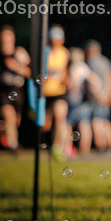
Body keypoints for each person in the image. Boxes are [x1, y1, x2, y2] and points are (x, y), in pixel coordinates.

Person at [0, 24, 31, 151]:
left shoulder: (19, 52)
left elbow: (30, 73)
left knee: (16, 121)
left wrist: (16, 66)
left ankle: (1, 128)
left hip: (17, 90)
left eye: (8, 37)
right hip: (3, 90)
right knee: (8, 115)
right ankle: (13, 145)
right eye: (3, 37)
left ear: (13, 39)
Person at [41, 25, 71, 158]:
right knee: (45, 124)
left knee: (60, 117)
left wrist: (66, 80)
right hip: (45, 92)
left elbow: (65, 71)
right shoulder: (44, 53)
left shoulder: (65, 53)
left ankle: (57, 147)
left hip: (60, 91)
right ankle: (44, 145)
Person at [84, 40, 111, 153]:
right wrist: (108, 94)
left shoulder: (90, 62)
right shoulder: (105, 61)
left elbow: (93, 80)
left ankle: (102, 147)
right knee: (106, 121)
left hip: (97, 96)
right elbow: (110, 78)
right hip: (106, 95)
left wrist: (100, 94)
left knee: (97, 121)